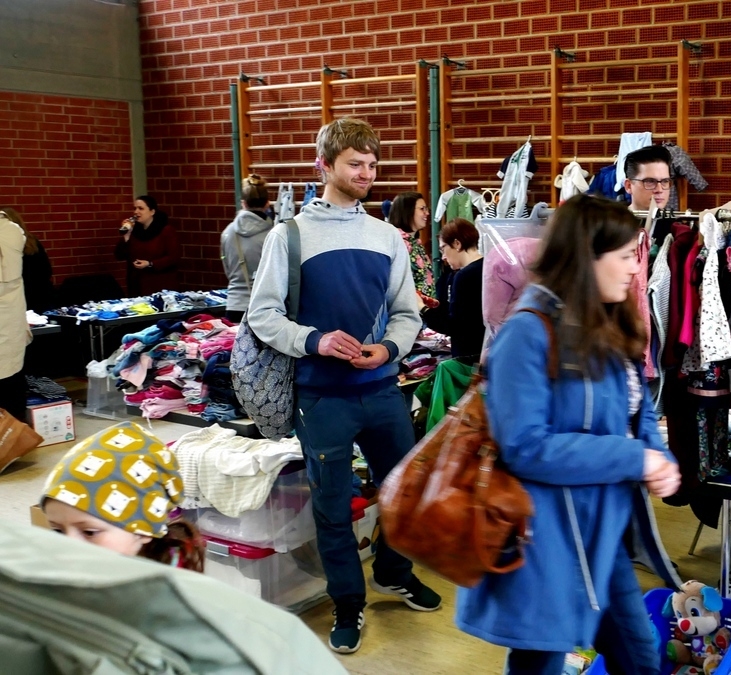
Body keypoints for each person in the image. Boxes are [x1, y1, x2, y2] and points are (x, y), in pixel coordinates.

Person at [457, 195, 683, 675]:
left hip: (603, 534)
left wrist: (657, 456)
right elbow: (526, 447)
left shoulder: (610, 322)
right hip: (546, 542)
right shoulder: (527, 333)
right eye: (626, 255)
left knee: (640, 657)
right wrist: (634, 459)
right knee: (540, 663)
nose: (635, 268)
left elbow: (636, 411)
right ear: (586, 256)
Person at [245, 117, 439, 655]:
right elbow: (262, 315)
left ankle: (393, 573)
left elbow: (408, 312)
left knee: (404, 492)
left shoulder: (387, 237)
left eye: (372, 165)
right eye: (355, 164)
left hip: (382, 390)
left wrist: (390, 349)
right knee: (333, 506)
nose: (366, 174)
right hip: (321, 397)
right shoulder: (288, 236)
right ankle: (348, 602)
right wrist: (314, 340)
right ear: (324, 166)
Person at [41, 421, 205, 571]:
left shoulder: (166, 585)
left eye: (89, 532)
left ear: (143, 531)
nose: (68, 547)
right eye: (58, 531)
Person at [421, 218, 484, 362]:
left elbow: (455, 327)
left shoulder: (464, 276)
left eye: (443, 249)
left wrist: (423, 309)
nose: (443, 256)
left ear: (457, 244)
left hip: (468, 359)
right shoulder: (487, 266)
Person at [220, 175, 274, 324]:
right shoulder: (274, 234)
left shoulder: (227, 232)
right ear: (267, 204)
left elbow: (228, 269)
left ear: (243, 203)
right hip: (265, 307)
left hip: (234, 305)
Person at [114, 195, 180, 296]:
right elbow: (119, 255)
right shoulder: (134, 231)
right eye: (135, 208)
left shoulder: (166, 230)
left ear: (152, 211)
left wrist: (150, 264)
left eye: (141, 208)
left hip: (159, 283)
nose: (136, 212)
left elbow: (173, 257)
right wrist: (126, 237)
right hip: (137, 284)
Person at [0, 209, 30, 420]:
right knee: (12, 379)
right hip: (11, 318)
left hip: (8, 317)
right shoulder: (13, 231)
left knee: (9, 381)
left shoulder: (10, 231)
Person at [386, 191, 437, 304]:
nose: (427, 213)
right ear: (407, 211)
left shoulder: (415, 243)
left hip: (423, 308)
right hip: (407, 308)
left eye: (426, 209)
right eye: (422, 209)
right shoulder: (397, 242)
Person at [1, 208, 54, 313]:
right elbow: (47, 270)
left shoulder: (6, 245)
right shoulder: (33, 241)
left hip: (21, 298)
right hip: (42, 295)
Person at [622, 145, 672, 212]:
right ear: (629, 186)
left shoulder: (677, 219)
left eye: (665, 181)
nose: (659, 190)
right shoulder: (613, 218)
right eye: (650, 181)